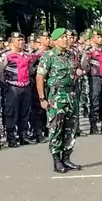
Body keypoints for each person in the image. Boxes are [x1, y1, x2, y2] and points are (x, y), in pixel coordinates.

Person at [35, 29, 82, 174]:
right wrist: (42, 98)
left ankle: (66, 158)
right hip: (56, 98)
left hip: (71, 96)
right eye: (63, 38)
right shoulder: (48, 56)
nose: (66, 39)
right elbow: (39, 78)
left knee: (71, 128)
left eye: (66, 37)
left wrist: (78, 73)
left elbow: (74, 71)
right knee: (56, 128)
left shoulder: (71, 55)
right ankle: (57, 160)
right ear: (55, 41)